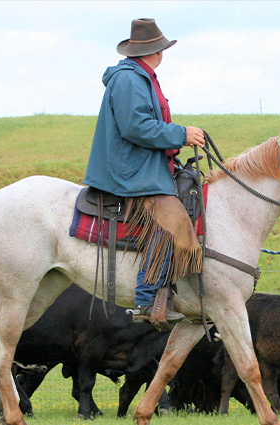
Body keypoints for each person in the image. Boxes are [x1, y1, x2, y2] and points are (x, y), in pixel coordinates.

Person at [82, 18, 205, 326]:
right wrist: (181, 135)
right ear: (158, 51)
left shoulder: (142, 77)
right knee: (171, 222)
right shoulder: (130, 80)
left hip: (145, 164)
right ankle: (147, 300)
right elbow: (135, 127)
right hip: (130, 171)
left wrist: (173, 147)